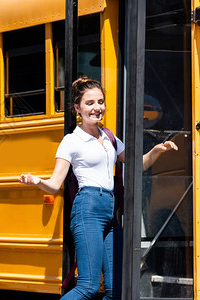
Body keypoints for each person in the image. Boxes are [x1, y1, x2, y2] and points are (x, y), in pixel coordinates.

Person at [19, 77, 178, 299]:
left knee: (116, 290)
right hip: (87, 211)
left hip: (109, 213)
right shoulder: (71, 141)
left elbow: (137, 164)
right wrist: (37, 181)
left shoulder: (110, 137)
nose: (97, 108)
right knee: (88, 286)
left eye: (100, 102)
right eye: (90, 103)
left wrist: (158, 150)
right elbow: (55, 184)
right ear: (77, 108)